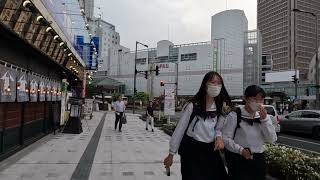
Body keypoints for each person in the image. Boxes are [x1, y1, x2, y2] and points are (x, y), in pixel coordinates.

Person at [163, 71, 231, 180]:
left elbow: (218, 128)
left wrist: (219, 137)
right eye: (213, 82)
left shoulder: (220, 106)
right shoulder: (192, 105)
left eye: (219, 83)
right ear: (205, 84)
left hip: (210, 150)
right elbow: (180, 130)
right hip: (192, 151)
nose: (216, 86)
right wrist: (171, 154)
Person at [223, 85, 277, 180]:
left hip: (258, 159)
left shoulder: (263, 116)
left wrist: (265, 120)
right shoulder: (235, 115)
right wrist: (240, 150)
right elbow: (225, 138)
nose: (258, 103)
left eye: (261, 100)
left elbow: (272, 139)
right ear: (246, 99)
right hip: (239, 159)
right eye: (255, 99)